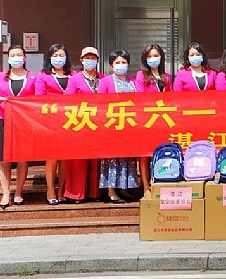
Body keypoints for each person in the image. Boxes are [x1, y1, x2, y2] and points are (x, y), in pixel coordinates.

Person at [0, 45, 35, 209]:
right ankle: (6, 193)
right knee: (4, 158)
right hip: (3, 119)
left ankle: (19, 192)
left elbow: (38, 100)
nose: (16, 58)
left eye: (19, 55)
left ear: (25, 58)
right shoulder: (0, 76)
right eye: (13, 55)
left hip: (24, 122)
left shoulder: (33, 78)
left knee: (22, 158)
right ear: (8, 58)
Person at [34, 43, 75, 205]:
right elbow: (39, 98)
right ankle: (50, 190)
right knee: (52, 158)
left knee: (65, 158)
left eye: (61, 55)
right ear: (49, 58)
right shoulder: (43, 76)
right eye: (55, 56)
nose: (59, 58)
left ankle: (61, 190)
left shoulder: (73, 74)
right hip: (50, 122)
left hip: (69, 121)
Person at [97, 50, 139, 203]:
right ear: (111, 65)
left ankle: (124, 187)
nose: (121, 65)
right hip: (112, 125)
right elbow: (100, 103)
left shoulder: (133, 81)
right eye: (117, 63)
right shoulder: (106, 81)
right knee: (112, 158)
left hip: (129, 125)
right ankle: (111, 190)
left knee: (127, 157)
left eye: (124, 62)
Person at [63, 47, 104, 203]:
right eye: (87, 58)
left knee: (96, 159)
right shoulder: (75, 79)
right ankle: (75, 193)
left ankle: (95, 193)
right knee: (78, 160)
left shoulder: (103, 78)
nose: (90, 61)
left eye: (93, 58)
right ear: (81, 60)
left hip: (98, 124)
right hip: (79, 123)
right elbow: (68, 101)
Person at [135, 44, 171, 197]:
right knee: (145, 154)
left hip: (163, 121)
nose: (153, 59)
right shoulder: (141, 75)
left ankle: (160, 181)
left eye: (156, 56)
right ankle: (145, 186)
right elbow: (140, 96)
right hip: (147, 120)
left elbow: (171, 97)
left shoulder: (166, 76)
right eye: (149, 56)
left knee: (161, 152)